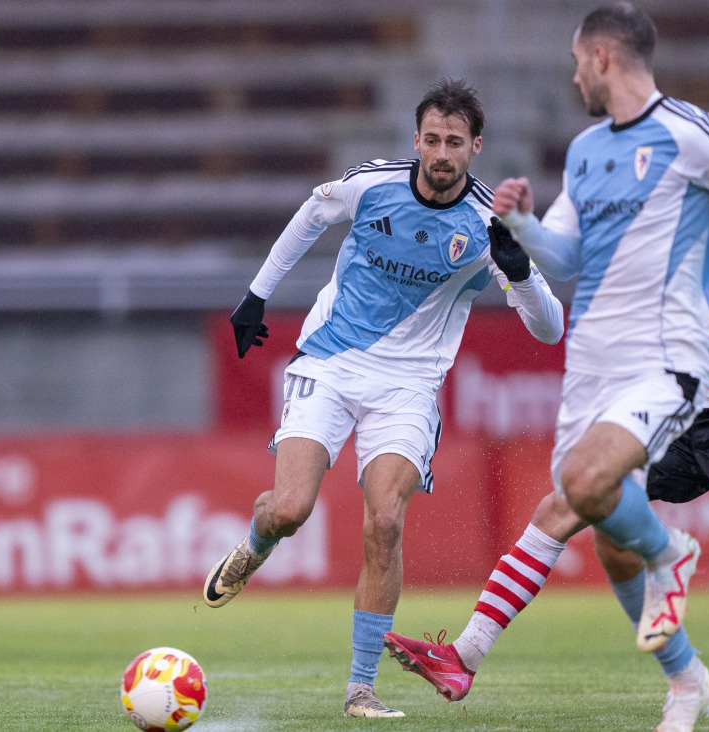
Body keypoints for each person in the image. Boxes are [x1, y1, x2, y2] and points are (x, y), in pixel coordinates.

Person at [384, 0, 709, 725]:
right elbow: (569, 256)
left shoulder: (694, 137)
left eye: (576, 61)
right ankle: (684, 682)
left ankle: (669, 557)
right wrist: (520, 236)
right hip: (599, 368)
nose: (571, 76)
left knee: (598, 490)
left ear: (602, 58)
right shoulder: (587, 153)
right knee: (593, 520)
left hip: (684, 372)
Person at [200, 78, 566, 718]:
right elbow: (310, 215)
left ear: (476, 147)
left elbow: (551, 328)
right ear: (416, 140)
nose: (441, 153)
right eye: (431, 139)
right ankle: (257, 543)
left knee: (386, 520)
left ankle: (360, 689)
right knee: (289, 509)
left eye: (455, 141)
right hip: (333, 361)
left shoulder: (487, 226)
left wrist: (516, 271)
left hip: (409, 386)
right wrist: (257, 294)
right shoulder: (373, 185)